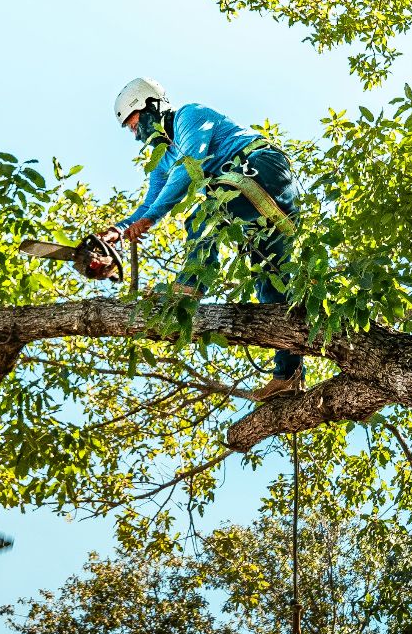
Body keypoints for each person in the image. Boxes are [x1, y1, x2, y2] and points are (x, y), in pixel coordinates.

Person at [97, 77, 304, 401]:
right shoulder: (162, 160)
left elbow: (190, 168)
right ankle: (289, 375)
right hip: (250, 206)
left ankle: (190, 285)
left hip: (260, 169)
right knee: (273, 286)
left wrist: (151, 218)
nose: (134, 133)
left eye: (133, 122)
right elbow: (149, 203)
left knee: (203, 215)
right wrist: (118, 232)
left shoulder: (189, 116)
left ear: (149, 106)